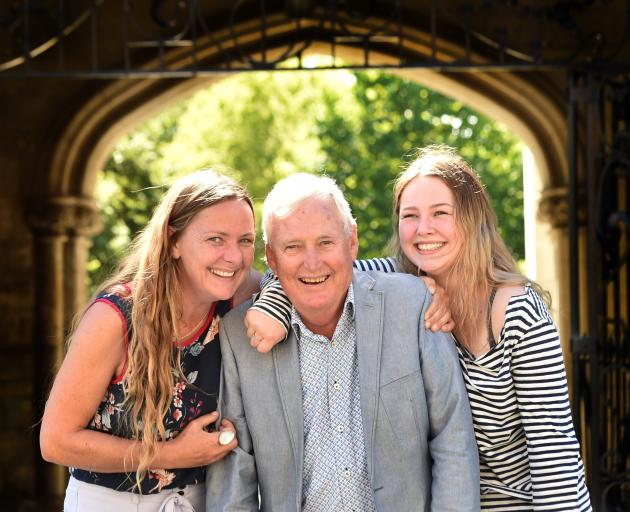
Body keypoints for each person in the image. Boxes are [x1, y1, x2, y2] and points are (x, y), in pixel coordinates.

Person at [249, 146, 592, 511]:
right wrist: (273, 305)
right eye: (410, 215)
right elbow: (310, 271)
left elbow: (554, 455)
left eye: (440, 213)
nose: (424, 229)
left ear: (472, 219)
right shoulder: (394, 279)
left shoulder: (517, 311)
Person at [205, 173, 480, 511]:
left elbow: (452, 440)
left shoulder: (413, 305)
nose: (312, 263)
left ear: (352, 243)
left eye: (326, 243)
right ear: (272, 259)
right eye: (293, 247)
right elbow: (236, 476)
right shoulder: (239, 336)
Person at [40, 170, 261, 511]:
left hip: (202, 502)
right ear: (174, 241)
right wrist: (173, 454)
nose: (234, 256)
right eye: (216, 239)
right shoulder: (115, 319)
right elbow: (55, 441)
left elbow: (303, 278)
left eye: (245, 240)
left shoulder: (238, 295)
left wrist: (274, 307)